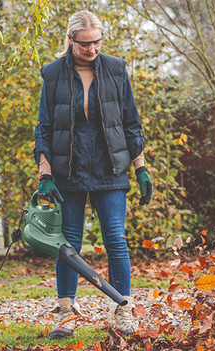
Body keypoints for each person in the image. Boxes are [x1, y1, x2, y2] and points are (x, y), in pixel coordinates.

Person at [33, 10, 152, 339]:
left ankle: (122, 310)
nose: (93, 49)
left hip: (110, 166)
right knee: (68, 244)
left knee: (115, 238)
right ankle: (67, 314)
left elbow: (131, 122)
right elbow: (43, 127)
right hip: (67, 170)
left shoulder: (115, 69)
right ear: (71, 40)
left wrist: (140, 167)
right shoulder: (53, 74)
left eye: (98, 42)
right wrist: (45, 173)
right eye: (85, 44)